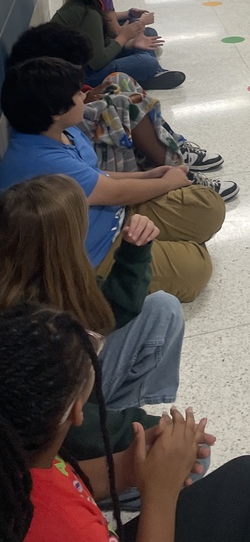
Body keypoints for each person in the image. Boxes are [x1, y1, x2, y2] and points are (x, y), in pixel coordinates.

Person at [0, 303, 250, 542]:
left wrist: (128, 467)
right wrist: (160, 496)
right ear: (76, 412)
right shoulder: (65, 529)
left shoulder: (24, 455)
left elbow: (61, 479)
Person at [0, 57, 228, 301]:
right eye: (78, 94)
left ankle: (173, 244)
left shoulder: (60, 129)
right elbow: (112, 192)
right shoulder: (39, 159)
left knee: (209, 207)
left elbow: (95, 175)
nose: (84, 97)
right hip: (95, 253)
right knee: (196, 269)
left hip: (118, 214)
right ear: (56, 112)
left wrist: (147, 175)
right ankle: (168, 253)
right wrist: (168, 183)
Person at [0, 175, 184, 412]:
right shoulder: (30, 324)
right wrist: (142, 431)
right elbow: (64, 422)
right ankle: (116, 413)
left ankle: (118, 410)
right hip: (68, 416)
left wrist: (134, 252)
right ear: (65, 242)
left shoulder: (49, 276)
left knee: (163, 307)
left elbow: (107, 313)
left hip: (78, 394)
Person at [7, 20, 225, 178]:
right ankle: (175, 168)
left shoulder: (44, 71)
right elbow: (105, 186)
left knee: (118, 80)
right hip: (57, 123)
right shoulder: (46, 144)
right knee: (123, 103)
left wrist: (87, 92)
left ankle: (174, 145)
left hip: (58, 114)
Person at [52, 0, 185, 91]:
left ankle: (143, 76)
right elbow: (98, 62)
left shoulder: (80, 2)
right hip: (80, 78)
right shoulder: (89, 14)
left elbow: (98, 43)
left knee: (148, 34)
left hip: (82, 65)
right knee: (147, 62)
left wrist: (129, 43)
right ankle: (147, 75)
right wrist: (124, 37)